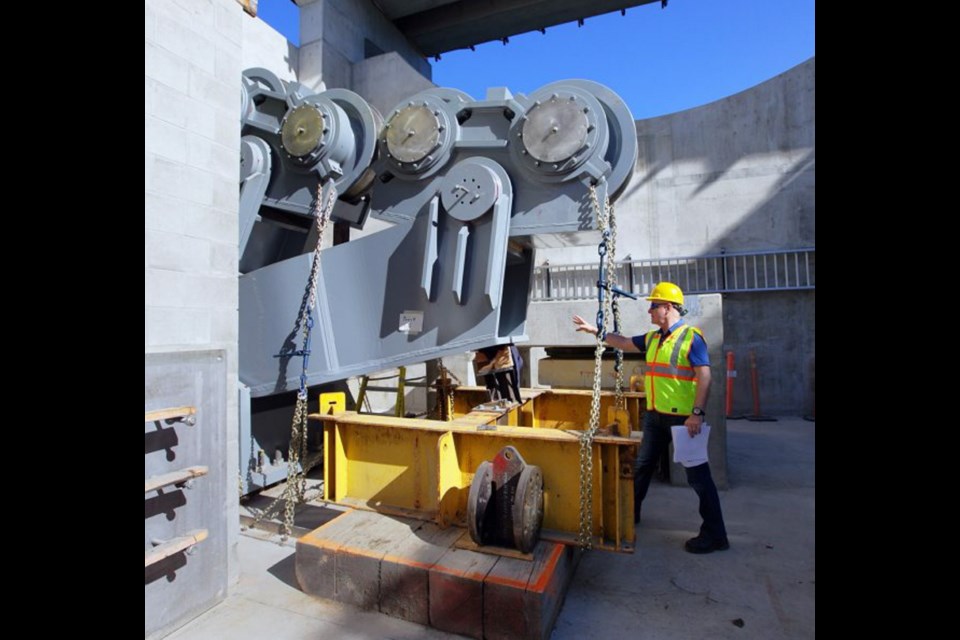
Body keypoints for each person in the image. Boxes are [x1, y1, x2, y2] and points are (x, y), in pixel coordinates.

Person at [572, 281, 729, 554]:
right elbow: (623, 342)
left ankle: (715, 534)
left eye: (653, 306)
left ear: (667, 307)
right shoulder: (654, 338)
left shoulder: (692, 338)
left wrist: (697, 414)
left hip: (684, 421)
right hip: (655, 417)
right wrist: (596, 331)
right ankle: (630, 515)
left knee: (698, 477)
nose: (650, 312)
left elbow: (705, 376)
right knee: (642, 466)